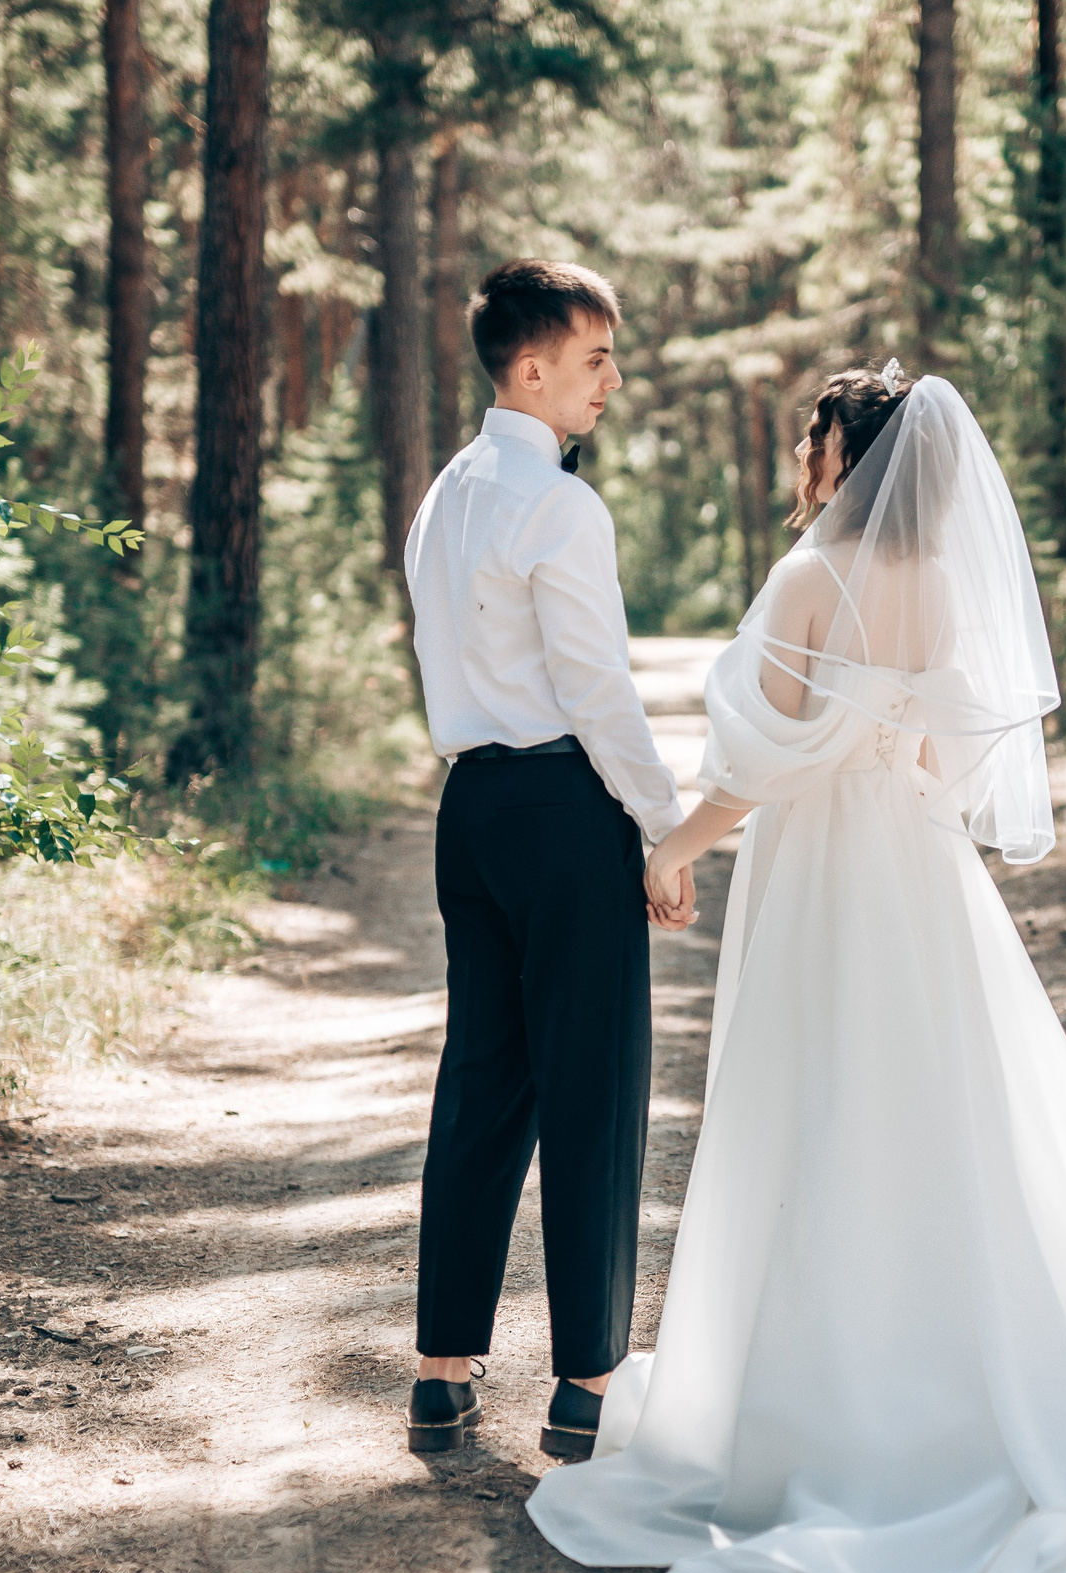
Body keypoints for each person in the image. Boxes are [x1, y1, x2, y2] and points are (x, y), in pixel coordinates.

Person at [524, 363, 1066, 1573]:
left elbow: (760, 768)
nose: (805, 457)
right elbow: (934, 752)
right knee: (943, 1114)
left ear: (840, 454)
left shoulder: (810, 578)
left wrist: (670, 849)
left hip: (823, 877)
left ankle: (825, 1404)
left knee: (823, 1107)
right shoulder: (949, 583)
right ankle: (946, 1366)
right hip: (915, 869)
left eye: (814, 440)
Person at [401, 259, 683, 1460]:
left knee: (481, 1085)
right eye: (593, 358)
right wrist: (662, 824)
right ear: (532, 367)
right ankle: (585, 1386)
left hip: (469, 809)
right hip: (566, 806)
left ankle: (440, 1372)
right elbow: (595, 687)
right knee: (592, 1090)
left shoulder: (444, 494)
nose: (610, 378)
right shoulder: (559, 504)